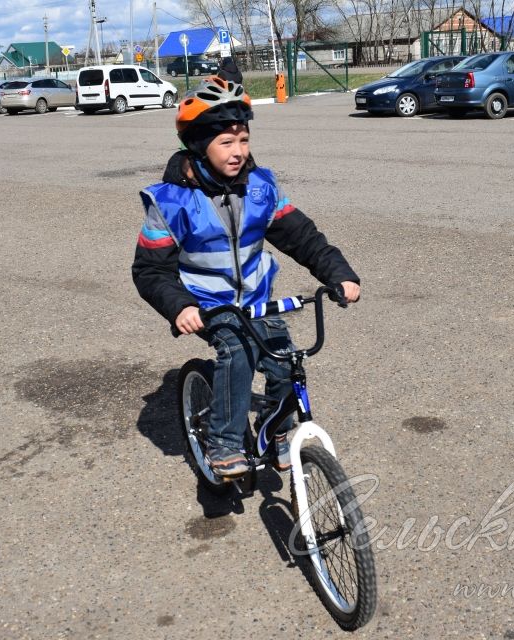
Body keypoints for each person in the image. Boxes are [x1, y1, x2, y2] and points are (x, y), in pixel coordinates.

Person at [132, 75, 360, 477]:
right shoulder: (170, 203)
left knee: (286, 361)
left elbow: (303, 237)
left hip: (255, 296)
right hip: (206, 302)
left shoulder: (260, 189)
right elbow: (150, 270)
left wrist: (338, 273)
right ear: (199, 145)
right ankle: (223, 440)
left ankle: (276, 430)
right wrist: (179, 305)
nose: (238, 151)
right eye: (226, 142)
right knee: (236, 350)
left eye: (244, 140)